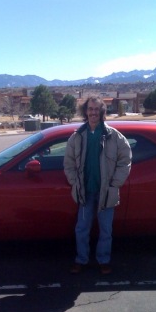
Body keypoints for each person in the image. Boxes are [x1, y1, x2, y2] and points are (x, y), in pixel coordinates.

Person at [63, 95, 132, 274]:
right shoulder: (77, 136)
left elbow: (125, 160)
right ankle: (81, 260)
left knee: (106, 230)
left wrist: (115, 184)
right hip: (85, 192)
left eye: (96, 109)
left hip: (106, 192)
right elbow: (68, 163)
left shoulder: (114, 136)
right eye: (90, 109)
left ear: (102, 111)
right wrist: (74, 183)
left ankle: (104, 260)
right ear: (85, 112)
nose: (93, 113)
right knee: (82, 228)